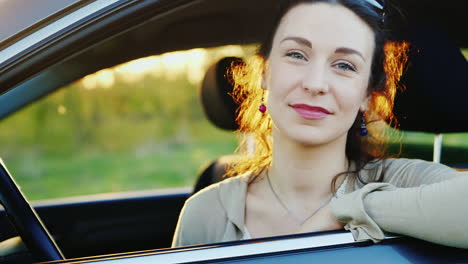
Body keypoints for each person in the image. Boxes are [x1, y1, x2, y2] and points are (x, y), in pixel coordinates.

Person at [172, 0, 468, 248]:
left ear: (367, 94)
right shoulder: (205, 212)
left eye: (344, 65)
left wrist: (348, 210)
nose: (315, 84)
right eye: (296, 55)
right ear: (264, 72)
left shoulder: (401, 183)